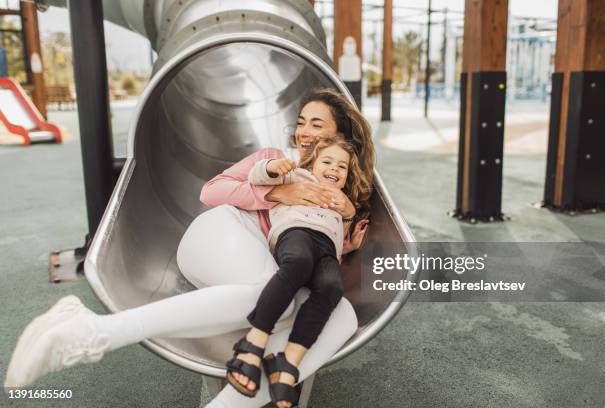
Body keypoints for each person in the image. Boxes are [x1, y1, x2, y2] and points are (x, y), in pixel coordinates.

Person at [4, 88, 374, 408]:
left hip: (266, 262)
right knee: (276, 299)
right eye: (302, 121)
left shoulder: (340, 190)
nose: (305, 132)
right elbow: (211, 191)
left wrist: (343, 243)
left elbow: (316, 253)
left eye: (317, 124)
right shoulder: (276, 159)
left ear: (337, 137)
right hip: (221, 232)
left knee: (341, 314)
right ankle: (95, 332)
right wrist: (278, 191)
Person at [225, 138, 370, 407]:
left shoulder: (342, 200)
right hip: (295, 234)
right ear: (312, 164)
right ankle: (252, 345)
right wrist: (272, 167)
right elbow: (259, 176)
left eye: (342, 167)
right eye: (327, 162)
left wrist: (349, 242)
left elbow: (337, 235)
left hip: (326, 249)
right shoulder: (297, 177)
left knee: (331, 288)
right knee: (299, 263)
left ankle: (287, 362)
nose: (334, 169)